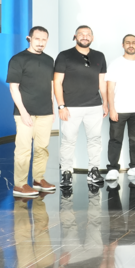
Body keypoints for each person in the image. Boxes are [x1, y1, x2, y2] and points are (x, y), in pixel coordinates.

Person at [54, 25, 108, 186]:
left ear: (92, 37)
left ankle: (93, 170)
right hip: (71, 107)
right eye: (81, 34)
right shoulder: (64, 56)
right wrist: (61, 106)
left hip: (94, 106)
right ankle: (66, 172)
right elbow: (57, 82)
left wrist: (105, 102)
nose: (85, 36)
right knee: (68, 140)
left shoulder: (99, 56)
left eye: (88, 34)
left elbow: (102, 82)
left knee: (95, 140)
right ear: (75, 36)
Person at [8, 26, 56, 197]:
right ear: (29, 39)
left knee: (42, 148)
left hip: (45, 112)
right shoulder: (18, 59)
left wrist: (52, 108)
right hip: (25, 113)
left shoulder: (49, 60)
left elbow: (51, 85)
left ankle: (38, 179)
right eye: (37, 39)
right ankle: (20, 185)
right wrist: (23, 112)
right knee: (23, 149)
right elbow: (14, 88)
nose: (41, 43)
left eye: (44, 40)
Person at [105, 34, 135, 181]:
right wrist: (112, 108)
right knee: (115, 140)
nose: (131, 45)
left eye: (133, 42)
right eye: (128, 42)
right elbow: (110, 88)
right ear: (123, 45)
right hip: (119, 109)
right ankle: (113, 168)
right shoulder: (115, 63)